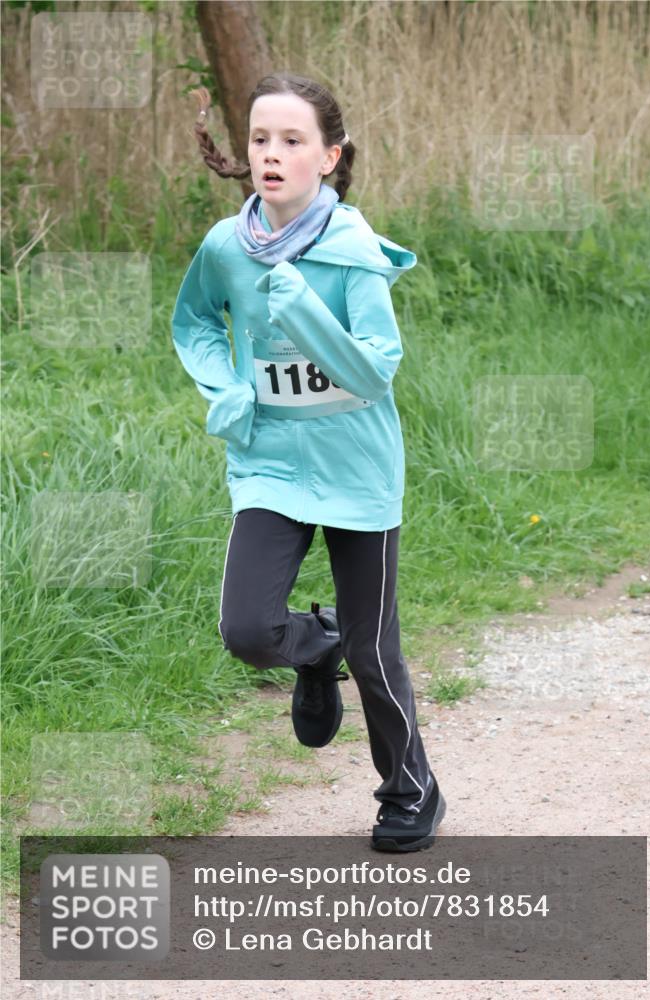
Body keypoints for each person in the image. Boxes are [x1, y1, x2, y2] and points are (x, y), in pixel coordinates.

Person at [171, 72, 445, 852]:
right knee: (247, 630)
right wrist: (223, 385)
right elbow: (193, 322)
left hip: (357, 466)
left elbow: (372, 371)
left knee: (375, 649)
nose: (271, 153)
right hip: (270, 463)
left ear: (327, 157)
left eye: (291, 140)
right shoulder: (227, 247)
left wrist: (303, 310)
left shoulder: (352, 251)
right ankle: (311, 648)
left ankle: (409, 792)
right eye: (260, 137)